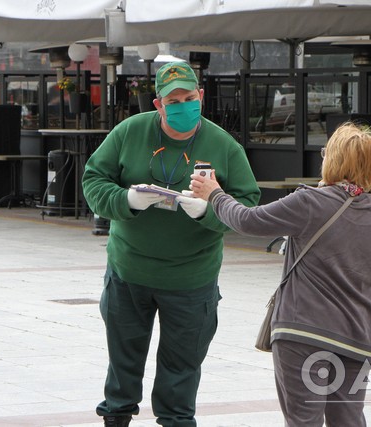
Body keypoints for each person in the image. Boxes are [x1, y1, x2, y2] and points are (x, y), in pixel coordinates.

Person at [81, 61, 260, 427]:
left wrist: (208, 210)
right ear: (158, 105)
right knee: (123, 362)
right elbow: (93, 180)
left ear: (201, 97)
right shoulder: (129, 132)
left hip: (191, 279)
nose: (182, 107)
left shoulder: (224, 146)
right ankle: (116, 419)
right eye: (173, 101)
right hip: (129, 272)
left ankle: (176, 421)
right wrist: (126, 199)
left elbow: (248, 205)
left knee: (181, 370)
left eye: (189, 98)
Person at [190, 122, 371, 427]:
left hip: (304, 332)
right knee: (349, 421)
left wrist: (215, 194)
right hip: (358, 337)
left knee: (304, 421)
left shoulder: (310, 202)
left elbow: (247, 221)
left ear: (334, 160)